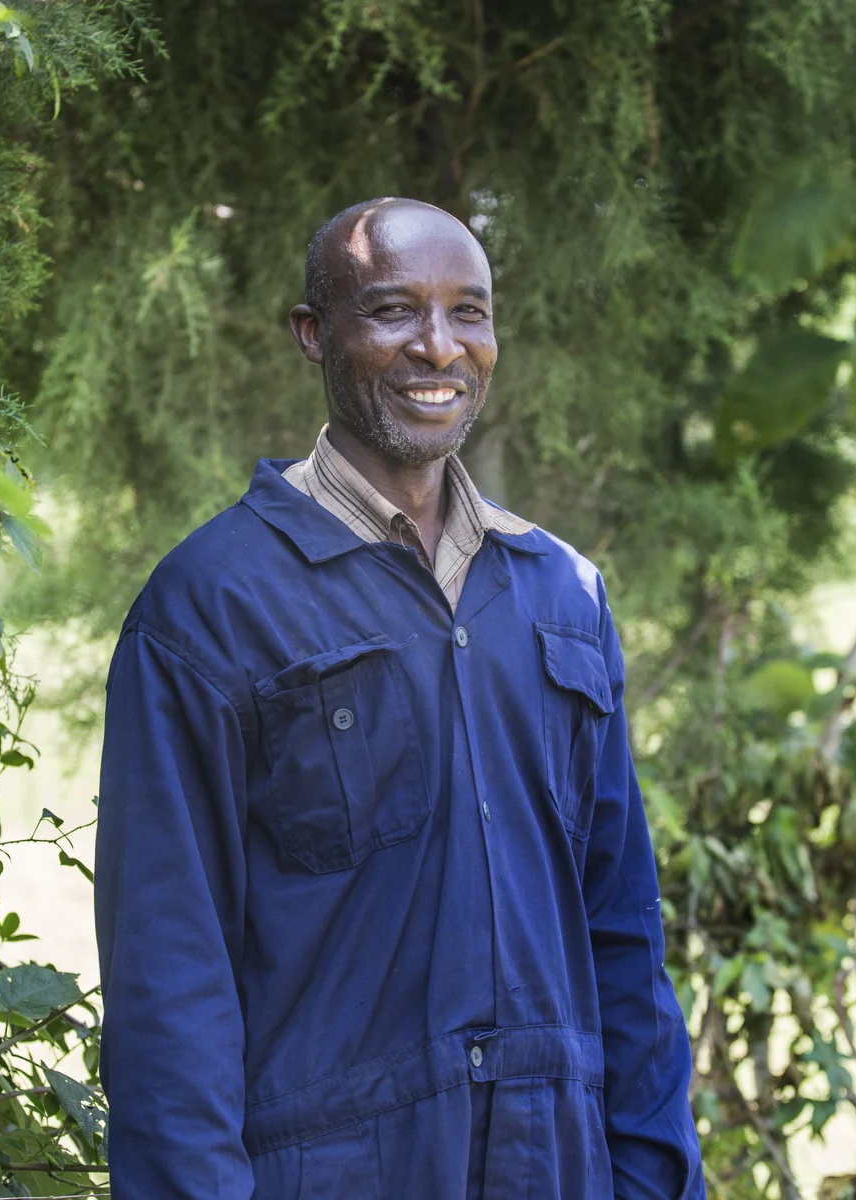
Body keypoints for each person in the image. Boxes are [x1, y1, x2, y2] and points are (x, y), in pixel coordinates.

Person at [94, 197, 705, 1198]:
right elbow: (168, 976)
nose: (439, 347)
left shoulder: (560, 594)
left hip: (555, 1168)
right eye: (393, 311)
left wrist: (654, 1176)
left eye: (469, 312)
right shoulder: (211, 606)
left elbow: (622, 928)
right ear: (313, 334)